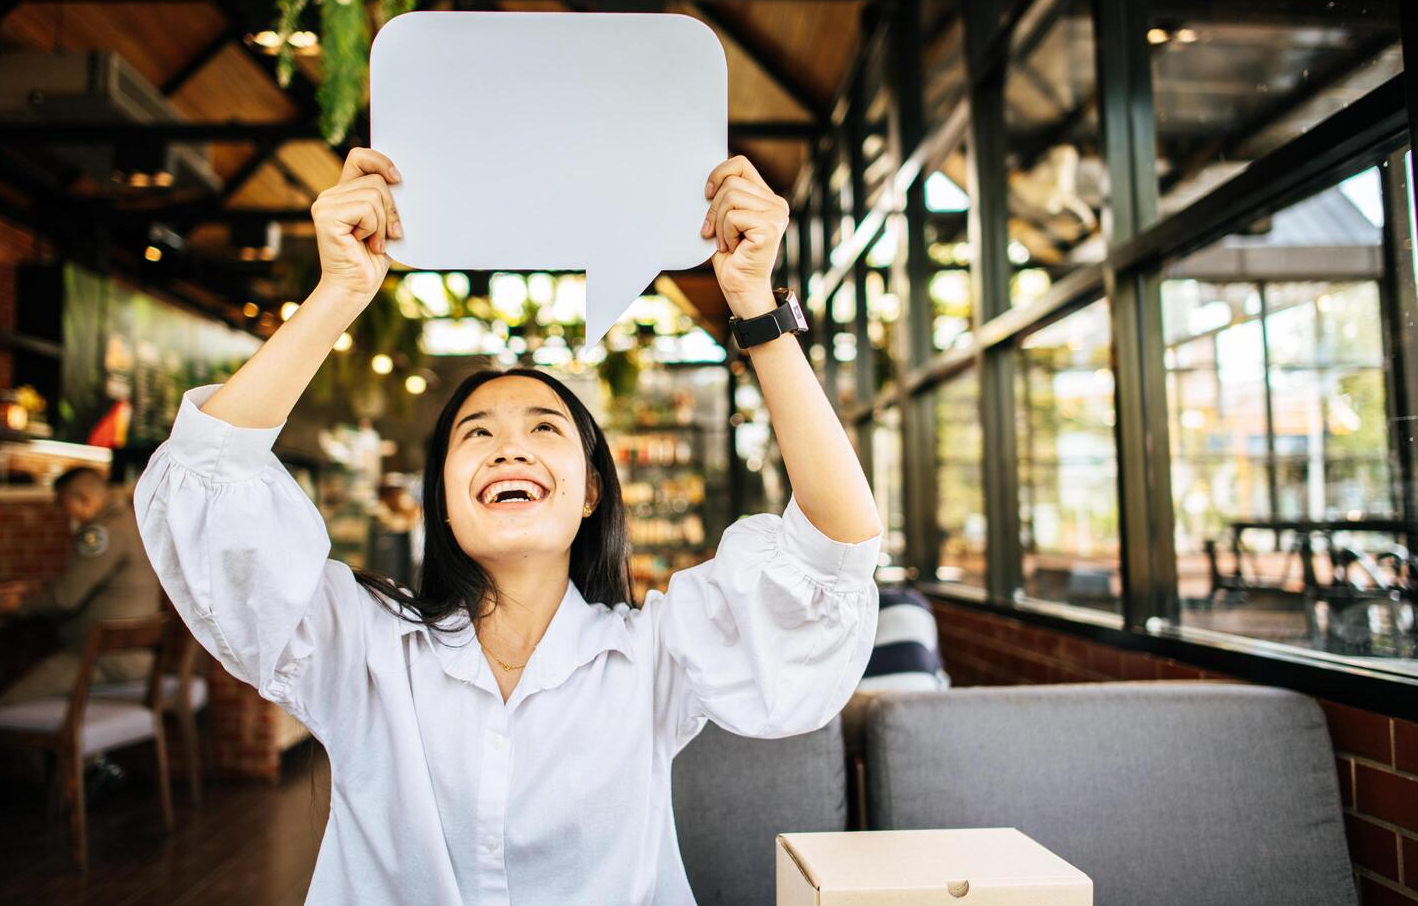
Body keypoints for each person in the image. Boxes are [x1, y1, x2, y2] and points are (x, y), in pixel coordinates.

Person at [133, 147, 882, 904]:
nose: (510, 446)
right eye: (476, 434)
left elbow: (835, 557)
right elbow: (206, 479)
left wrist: (755, 306)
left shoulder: (658, 652)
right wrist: (338, 293)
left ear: (591, 492)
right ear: (444, 498)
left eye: (544, 428)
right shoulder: (358, 649)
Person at [0, 467, 162, 707]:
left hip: (105, 659)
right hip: (133, 655)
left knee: (8, 705)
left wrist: (18, 606)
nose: (65, 516)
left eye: (64, 506)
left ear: (84, 499)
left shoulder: (101, 532)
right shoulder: (131, 520)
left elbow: (66, 597)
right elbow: (89, 582)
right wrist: (36, 587)